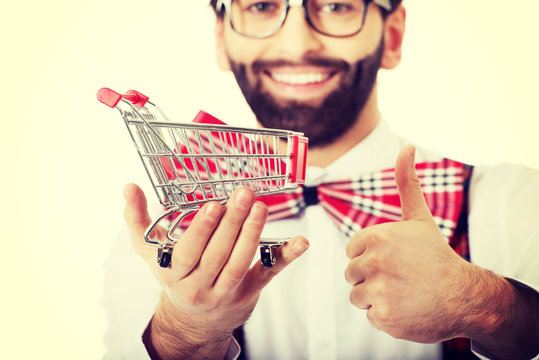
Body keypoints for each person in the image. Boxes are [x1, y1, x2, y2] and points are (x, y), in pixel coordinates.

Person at [103, 1, 539, 359]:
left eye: (336, 5)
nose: (297, 44)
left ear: (392, 37)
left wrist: (486, 306)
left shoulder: (514, 205)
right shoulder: (164, 238)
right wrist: (185, 332)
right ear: (221, 39)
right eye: (260, 5)